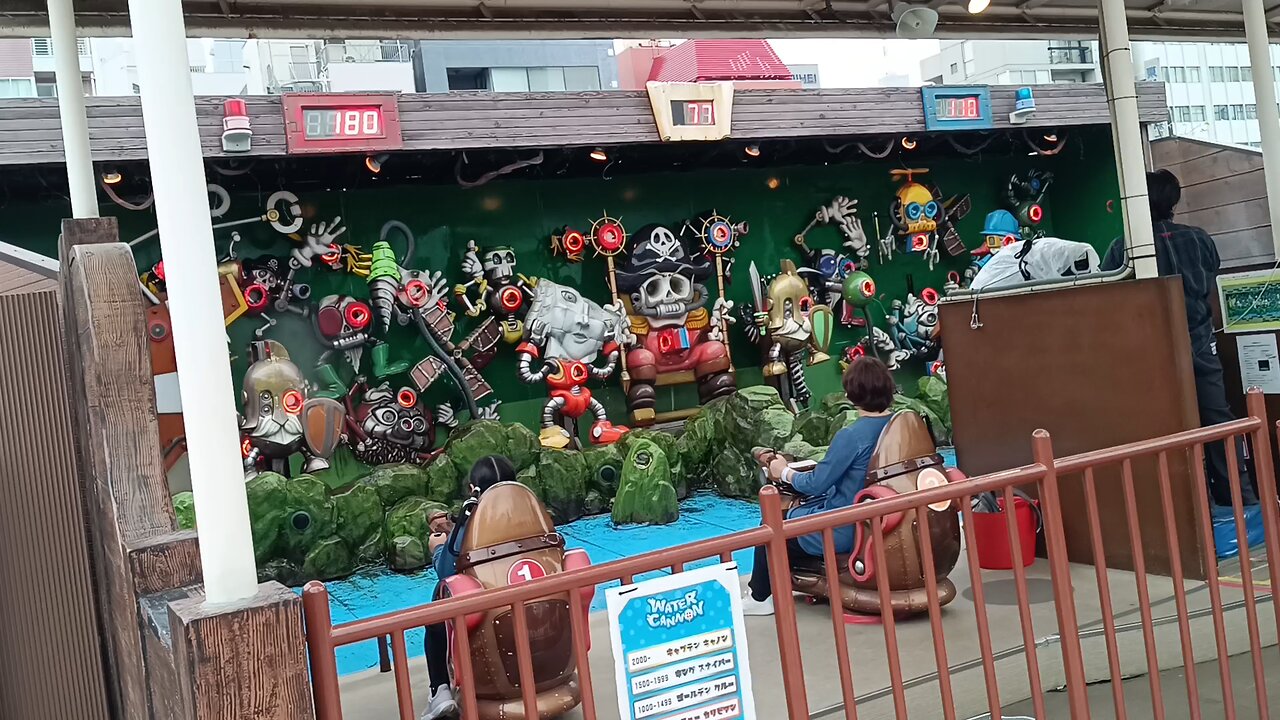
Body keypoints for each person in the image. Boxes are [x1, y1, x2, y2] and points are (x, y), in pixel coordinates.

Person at [1101, 169, 1258, 507]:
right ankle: (1242, 501)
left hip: (1149, 353)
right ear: (1173, 201)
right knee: (1218, 420)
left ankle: (1182, 511)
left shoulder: (1124, 247)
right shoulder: (1199, 238)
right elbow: (1212, 276)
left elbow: (1107, 296)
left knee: (1161, 429)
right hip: (1202, 343)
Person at [742, 356, 897, 616]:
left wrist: (784, 472)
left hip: (847, 527)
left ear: (851, 393)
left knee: (770, 528)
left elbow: (816, 484)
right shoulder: (898, 425)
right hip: (883, 519)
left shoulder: (852, 435)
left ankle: (760, 598)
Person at [421, 455, 517, 720]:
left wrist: (439, 546)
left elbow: (446, 569)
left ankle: (439, 689)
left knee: (439, 598)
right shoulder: (528, 512)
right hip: (533, 609)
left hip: (489, 617)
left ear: (473, 489)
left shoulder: (472, 517)